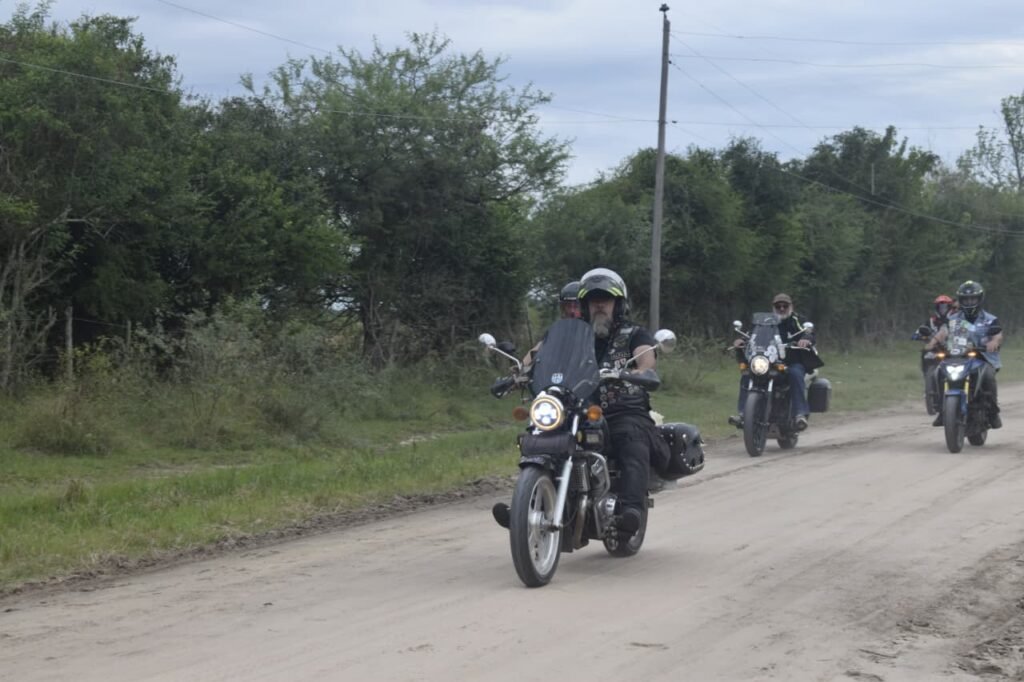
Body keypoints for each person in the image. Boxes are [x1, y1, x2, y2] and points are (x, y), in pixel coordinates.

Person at [491, 268, 661, 538]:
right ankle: (525, 507)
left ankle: (631, 511)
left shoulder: (634, 334)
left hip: (622, 409)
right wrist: (517, 375)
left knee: (632, 438)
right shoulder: (568, 334)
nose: (599, 305)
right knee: (540, 433)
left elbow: (646, 359)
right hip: (577, 406)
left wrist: (640, 371)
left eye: (606, 299)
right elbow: (536, 355)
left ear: (618, 304)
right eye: (593, 300)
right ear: (584, 304)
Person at [729, 293, 823, 431]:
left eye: (785, 306)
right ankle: (743, 414)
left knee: (795, 374)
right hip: (768, 360)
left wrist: (806, 339)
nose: (782, 308)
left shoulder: (796, 319)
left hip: (791, 360)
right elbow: (752, 334)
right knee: (747, 375)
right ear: (773, 307)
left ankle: (800, 414)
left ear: (791, 306)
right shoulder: (765, 321)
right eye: (778, 306)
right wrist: (742, 340)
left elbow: (809, 333)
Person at [926, 280, 1003, 429]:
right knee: (938, 372)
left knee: (988, 376)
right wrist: (933, 342)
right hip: (956, 356)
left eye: (972, 299)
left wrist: (994, 342)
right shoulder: (953, 319)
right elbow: (943, 332)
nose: (969, 302)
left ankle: (993, 413)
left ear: (979, 299)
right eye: (966, 299)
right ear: (961, 300)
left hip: (982, 358)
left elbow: (998, 334)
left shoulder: (990, 319)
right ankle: (942, 410)